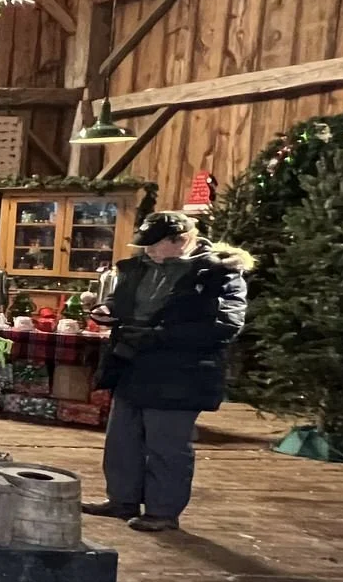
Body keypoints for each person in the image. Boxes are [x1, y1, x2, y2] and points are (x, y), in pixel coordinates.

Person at [87, 210, 252, 533]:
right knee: (122, 439)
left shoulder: (218, 274)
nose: (147, 250)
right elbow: (121, 301)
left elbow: (226, 325)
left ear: (181, 240)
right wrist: (107, 309)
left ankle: (163, 511)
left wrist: (160, 336)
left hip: (181, 372)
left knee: (166, 444)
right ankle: (122, 501)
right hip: (131, 363)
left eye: (155, 244)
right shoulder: (135, 269)